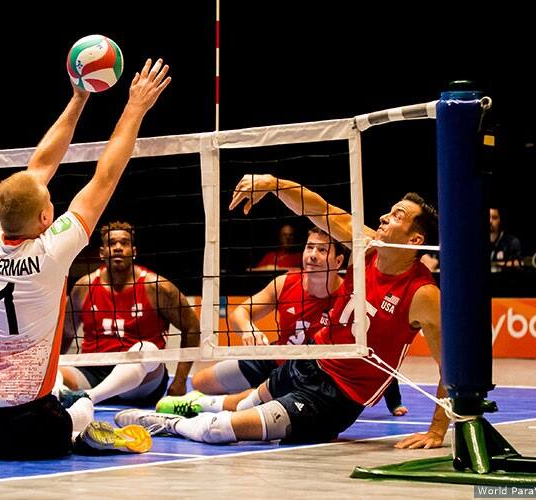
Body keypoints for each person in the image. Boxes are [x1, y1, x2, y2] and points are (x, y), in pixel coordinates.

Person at [117, 174, 447, 450]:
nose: (384, 218)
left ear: (415, 238)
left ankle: (169, 423)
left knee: (219, 432)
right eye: (389, 212)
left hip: (337, 397)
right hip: (310, 359)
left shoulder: (423, 293)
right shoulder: (367, 246)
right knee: (243, 404)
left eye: (398, 215)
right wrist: (274, 183)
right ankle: (196, 404)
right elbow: (321, 211)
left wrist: (437, 430)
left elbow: (450, 365)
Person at [0, 59, 171, 459]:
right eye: (50, 203)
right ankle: (82, 424)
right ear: (46, 218)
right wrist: (134, 109)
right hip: (27, 431)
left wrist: (78, 98)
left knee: (0, 403)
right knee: (82, 407)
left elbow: (39, 166)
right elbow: (105, 177)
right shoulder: (51, 252)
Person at [193, 227, 409, 416]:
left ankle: (232, 402)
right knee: (199, 382)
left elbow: (376, 348)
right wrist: (248, 330)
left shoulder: (349, 296)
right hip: (275, 358)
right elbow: (240, 312)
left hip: (312, 375)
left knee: (257, 403)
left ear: (339, 261)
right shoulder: (285, 283)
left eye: (322, 250)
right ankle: (237, 396)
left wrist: (394, 400)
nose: (312, 255)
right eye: (309, 248)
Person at [61, 220, 200, 406]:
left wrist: (180, 381)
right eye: (112, 243)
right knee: (54, 371)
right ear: (102, 253)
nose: (118, 248)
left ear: (133, 251)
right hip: (93, 373)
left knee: (147, 350)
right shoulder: (84, 287)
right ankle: (74, 396)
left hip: (141, 380)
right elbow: (66, 334)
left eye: (124, 243)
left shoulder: (157, 287)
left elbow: (192, 327)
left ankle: (89, 398)